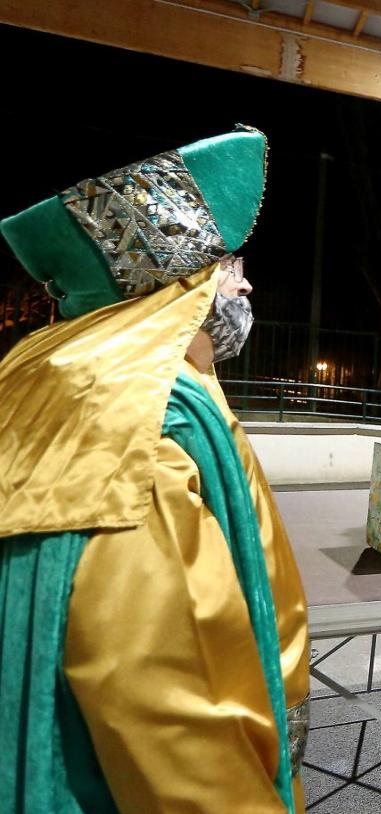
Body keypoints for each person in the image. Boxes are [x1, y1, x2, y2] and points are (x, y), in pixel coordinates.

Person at [0, 128, 310, 813]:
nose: (247, 284)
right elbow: (166, 678)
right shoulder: (148, 414)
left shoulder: (39, 367)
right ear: (185, 282)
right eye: (232, 267)